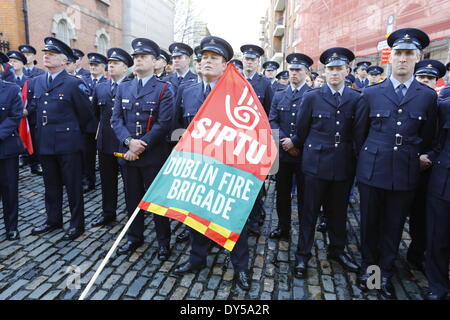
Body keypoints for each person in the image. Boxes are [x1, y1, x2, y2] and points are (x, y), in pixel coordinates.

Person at [356, 28, 437, 300]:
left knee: (393, 227)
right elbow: (359, 135)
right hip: (372, 169)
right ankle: (370, 271)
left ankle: (386, 273)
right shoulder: (371, 93)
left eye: (408, 54)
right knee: (369, 225)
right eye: (398, 53)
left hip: (404, 172)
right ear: (391, 57)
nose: (403, 59)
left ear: (418, 57)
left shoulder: (427, 96)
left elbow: (428, 137)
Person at [172, 35, 251, 291]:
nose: (207, 62)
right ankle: (197, 258)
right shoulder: (187, 91)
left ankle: (241, 267)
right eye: (204, 57)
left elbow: (250, 130)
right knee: (196, 214)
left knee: (234, 217)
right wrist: (180, 137)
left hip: (229, 166)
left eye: (213, 58)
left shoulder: (238, 93)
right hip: (197, 165)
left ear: (225, 64)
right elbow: (176, 127)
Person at [293, 47, 366, 280]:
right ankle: (303, 255)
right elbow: (301, 131)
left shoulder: (356, 99)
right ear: (324, 72)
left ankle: (337, 250)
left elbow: (358, 135)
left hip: (343, 164)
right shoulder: (312, 97)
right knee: (309, 213)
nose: (334, 73)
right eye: (330, 69)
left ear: (347, 70)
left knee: (338, 212)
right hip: (315, 165)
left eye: (339, 68)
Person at [111, 38, 175, 260]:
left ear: (155, 61)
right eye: (136, 57)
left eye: (143, 57)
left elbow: (164, 123)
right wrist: (129, 142)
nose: (138, 60)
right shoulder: (124, 87)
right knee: (132, 198)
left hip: (153, 156)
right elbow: (116, 120)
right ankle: (134, 237)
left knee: (157, 202)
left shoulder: (164, 89)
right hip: (128, 153)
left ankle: (163, 241)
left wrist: (140, 146)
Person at [30, 37, 94, 241]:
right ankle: (53, 219)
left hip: (68, 144)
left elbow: (87, 116)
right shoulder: (38, 81)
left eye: (52, 54)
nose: (46, 56)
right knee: (51, 185)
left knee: (73, 186)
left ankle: (77, 224)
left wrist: (77, 140)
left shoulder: (74, 84)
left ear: (64, 60)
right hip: (46, 142)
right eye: (45, 53)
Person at [405, 59, 447, 272]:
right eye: (421, 77)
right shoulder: (408, 102)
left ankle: (416, 253)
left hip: (430, 169)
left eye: (429, 79)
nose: (425, 82)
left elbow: (442, 139)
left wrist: (429, 156)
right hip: (405, 165)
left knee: (422, 215)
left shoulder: (442, 107)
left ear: (436, 82)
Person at [268, 53, 313, 240]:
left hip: (305, 153)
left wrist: (296, 141)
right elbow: (272, 121)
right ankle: (283, 226)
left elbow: (315, 125)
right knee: (283, 194)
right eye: (292, 70)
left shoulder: (312, 95)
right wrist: (286, 141)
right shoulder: (279, 95)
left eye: (298, 70)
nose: (294, 74)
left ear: (306, 72)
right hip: (284, 154)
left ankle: (304, 228)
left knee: (305, 195)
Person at [90, 48, 133, 228]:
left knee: (130, 183)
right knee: (108, 182)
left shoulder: (133, 86)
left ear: (125, 68)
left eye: (115, 64)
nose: (111, 67)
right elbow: (95, 113)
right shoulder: (101, 87)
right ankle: (108, 212)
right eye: (110, 64)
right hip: (106, 142)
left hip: (126, 143)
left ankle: (133, 216)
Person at [422, 97, 450, 300]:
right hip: (444, 179)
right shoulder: (445, 106)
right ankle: (438, 285)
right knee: (437, 237)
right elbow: (435, 139)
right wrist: (429, 156)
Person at [0, 51, 25, 241]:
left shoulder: (10, 89)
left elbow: (15, 115)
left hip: (6, 147)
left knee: (10, 189)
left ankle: (12, 227)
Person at [82, 52, 108, 193]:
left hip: (103, 124)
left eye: (96, 65)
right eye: (91, 65)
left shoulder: (108, 82)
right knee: (88, 154)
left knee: (105, 155)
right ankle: (89, 179)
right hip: (87, 124)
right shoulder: (83, 81)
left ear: (103, 67)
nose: (92, 67)